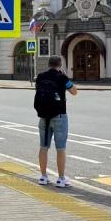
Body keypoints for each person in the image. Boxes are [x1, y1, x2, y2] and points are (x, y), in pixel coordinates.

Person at [34, 55, 78, 188]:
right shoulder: (62, 77)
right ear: (60, 65)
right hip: (59, 116)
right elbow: (74, 92)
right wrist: (65, 77)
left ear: (49, 64)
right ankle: (61, 179)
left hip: (44, 117)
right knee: (60, 148)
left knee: (43, 146)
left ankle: (43, 176)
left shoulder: (41, 76)